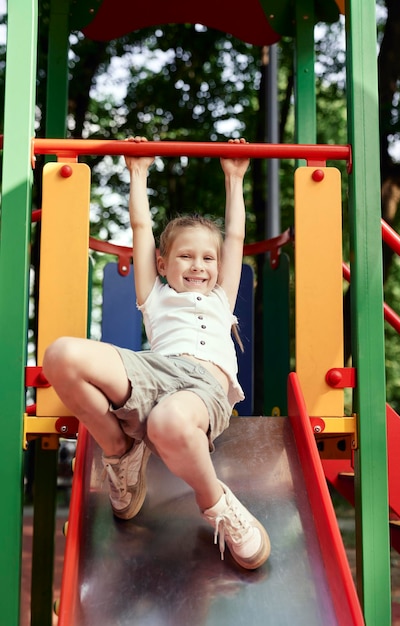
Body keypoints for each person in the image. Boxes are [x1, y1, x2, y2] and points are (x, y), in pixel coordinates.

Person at [43, 137, 271, 570]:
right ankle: (120, 449)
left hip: (200, 391)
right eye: (185, 256)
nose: (198, 265)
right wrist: (138, 172)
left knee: (169, 421)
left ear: (220, 266)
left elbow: (236, 233)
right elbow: (142, 230)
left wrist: (235, 176)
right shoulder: (155, 295)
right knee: (60, 356)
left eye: (208, 257)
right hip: (153, 371)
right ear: (163, 264)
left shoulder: (222, 295)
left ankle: (218, 504)